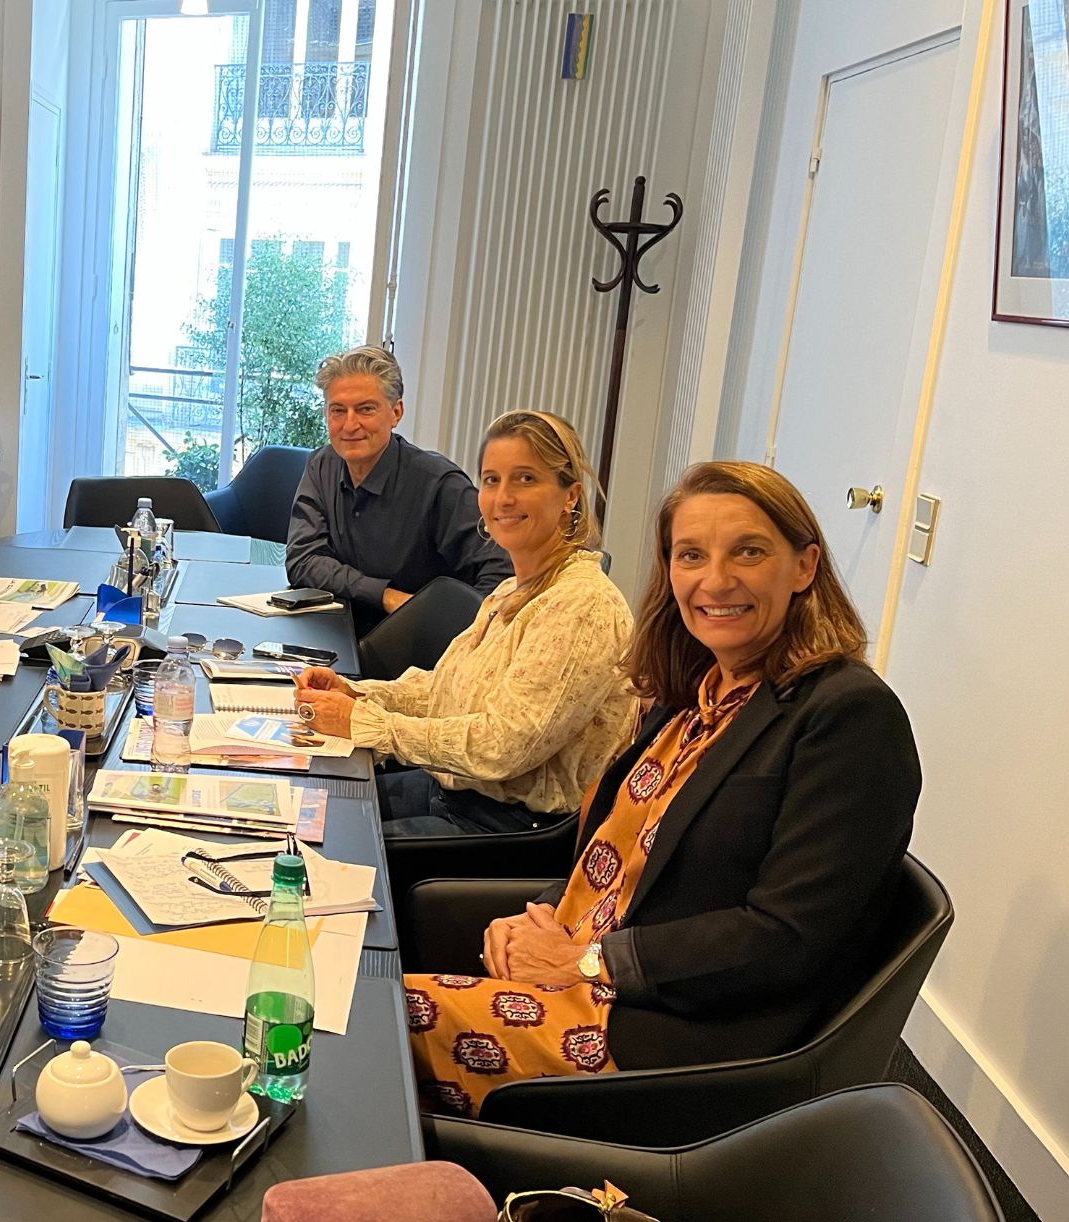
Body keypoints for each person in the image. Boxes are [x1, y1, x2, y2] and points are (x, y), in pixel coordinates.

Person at [399, 460, 920, 1118]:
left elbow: (788, 937)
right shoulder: (692, 690)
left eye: (749, 552)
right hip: (580, 978)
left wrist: (590, 962)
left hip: (664, 1042)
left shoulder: (848, 716)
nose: (716, 580)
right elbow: (617, 859)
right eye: (691, 555)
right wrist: (539, 916)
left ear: (804, 566)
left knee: (366, 1028)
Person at [294, 411, 635, 835]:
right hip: (457, 793)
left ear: (570, 496)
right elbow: (443, 691)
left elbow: (502, 746)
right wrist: (357, 692)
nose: (503, 498)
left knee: (329, 839)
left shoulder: (582, 604)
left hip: (507, 830)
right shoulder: (512, 590)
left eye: (525, 479)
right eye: (491, 480)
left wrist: (364, 722)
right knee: (303, 807)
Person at [287, 346, 513, 636]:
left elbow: (501, 571)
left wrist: (454, 632)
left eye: (366, 409)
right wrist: (385, 595)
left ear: (396, 412)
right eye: (338, 411)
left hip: (417, 645)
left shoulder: (439, 484)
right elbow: (303, 560)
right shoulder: (322, 465)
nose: (350, 424)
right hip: (338, 631)